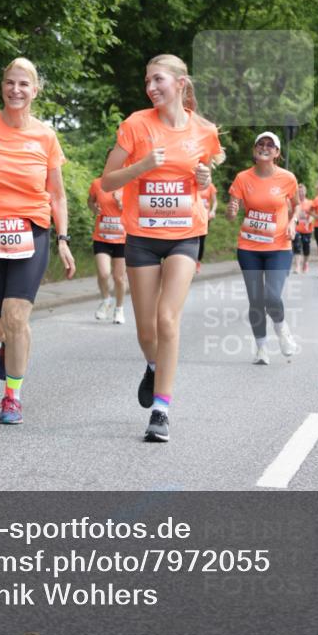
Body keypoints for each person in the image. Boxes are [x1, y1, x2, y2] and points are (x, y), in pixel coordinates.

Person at [101, 54, 223, 443]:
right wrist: (142, 167)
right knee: (147, 327)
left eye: (158, 80)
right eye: (148, 82)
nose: (151, 88)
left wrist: (204, 177)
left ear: (181, 83)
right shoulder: (136, 125)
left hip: (186, 234)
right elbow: (107, 182)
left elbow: (204, 177)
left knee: (168, 319)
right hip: (142, 238)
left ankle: (161, 410)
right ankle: (154, 365)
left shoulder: (203, 131)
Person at [0, 58, 75, 425]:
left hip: (31, 232)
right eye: (10, 83)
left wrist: (63, 238)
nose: (16, 90)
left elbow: (57, 195)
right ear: (2, 86)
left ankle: (12, 397)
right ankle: (10, 341)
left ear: (35, 90)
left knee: (17, 316)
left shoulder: (45, 136)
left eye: (24, 84)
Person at [227, 132, 298, 366]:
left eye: (270, 145)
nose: (264, 147)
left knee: (271, 296)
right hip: (249, 247)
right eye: (260, 144)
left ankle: (282, 329)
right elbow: (231, 213)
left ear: (277, 153)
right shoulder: (242, 178)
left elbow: (297, 206)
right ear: (254, 150)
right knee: (256, 300)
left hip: (279, 246)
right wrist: (231, 210)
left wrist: (292, 221)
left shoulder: (287, 178)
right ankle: (261, 349)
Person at [88, 166, 127, 323]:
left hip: (122, 239)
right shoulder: (98, 184)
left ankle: (119, 309)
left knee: (119, 278)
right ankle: (106, 300)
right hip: (102, 237)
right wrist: (94, 208)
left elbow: (135, 210)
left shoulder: (129, 185)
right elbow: (90, 201)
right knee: (104, 273)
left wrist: (120, 203)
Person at [196, 181, 217, 274]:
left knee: (201, 240)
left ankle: (198, 262)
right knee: (190, 240)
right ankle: (190, 262)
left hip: (205, 218)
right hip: (193, 217)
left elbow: (215, 201)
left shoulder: (210, 185)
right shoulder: (193, 183)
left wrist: (213, 211)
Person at [292, 183, 314, 274]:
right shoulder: (295, 203)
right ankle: (297, 266)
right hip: (297, 229)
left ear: (305, 192)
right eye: (299, 192)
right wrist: (295, 224)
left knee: (306, 248)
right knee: (297, 246)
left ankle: (305, 263)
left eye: (302, 191)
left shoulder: (310, 203)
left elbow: (313, 215)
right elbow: (293, 216)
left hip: (307, 229)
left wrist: (308, 222)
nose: (301, 193)